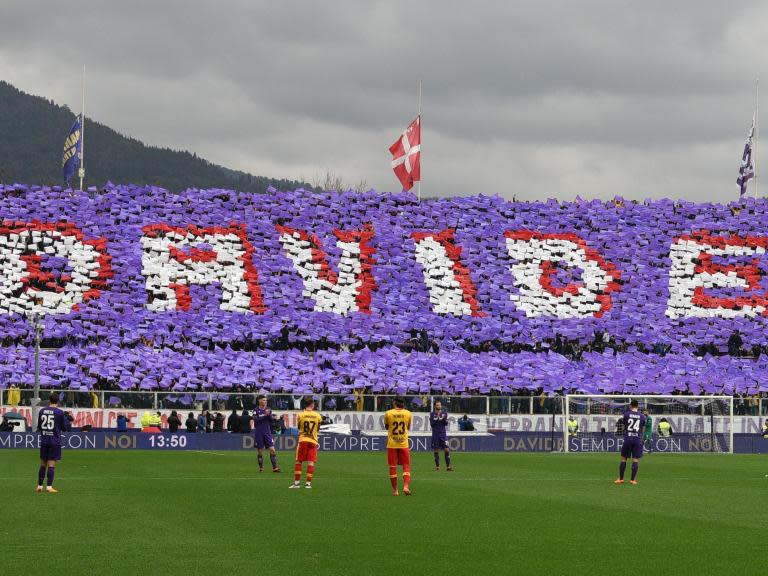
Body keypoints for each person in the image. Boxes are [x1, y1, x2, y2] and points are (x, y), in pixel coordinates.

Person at [36, 392, 71, 493]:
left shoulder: (42, 411)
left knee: (43, 464)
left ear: (49, 400)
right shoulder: (59, 412)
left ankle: (39, 486)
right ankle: (49, 487)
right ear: (58, 401)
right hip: (54, 441)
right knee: (51, 464)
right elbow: (64, 428)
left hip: (44, 440)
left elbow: (39, 426)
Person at [290, 397, 322, 489]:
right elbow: (318, 428)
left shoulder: (300, 415)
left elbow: (299, 427)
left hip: (303, 439)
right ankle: (308, 484)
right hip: (313, 441)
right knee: (311, 462)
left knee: (298, 461)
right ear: (312, 405)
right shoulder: (318, 416)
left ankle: (296, 484)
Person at [384, 397, 412, 496]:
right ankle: (405, 486)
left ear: (394, 403)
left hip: (392, 444)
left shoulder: (388, 413)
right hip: (404, 444)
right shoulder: (408, 413)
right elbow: (408, 427)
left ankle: (395, 490)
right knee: (406, 465)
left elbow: (387, 427)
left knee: (392, 466)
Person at [614, 400, 646, 485]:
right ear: (637, 406)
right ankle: (632, 480)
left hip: (628, 438)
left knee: (623, 459)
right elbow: (642, 428)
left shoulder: (626, 414)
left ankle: (621, 479)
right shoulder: (642, 416)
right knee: (635, 460)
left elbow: (625, 426)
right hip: (637, 439)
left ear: (630, 406)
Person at [253, 395, 281, 472]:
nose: (265, 402)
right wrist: (264, 416)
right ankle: (261, 468)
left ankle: (274, 468)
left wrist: (269, 416)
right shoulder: (256, 410)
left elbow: (270, 421)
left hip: (267, 432)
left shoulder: (268, 409)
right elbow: (256, 420)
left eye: (266, 400)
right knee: (260, 451)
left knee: (272, 450)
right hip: (259, 432)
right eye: (264, 400)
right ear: (259, 401)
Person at [429, 400, 452, 471]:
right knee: (436, 450)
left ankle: (448, 467)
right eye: (437, 405)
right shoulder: (432, 414)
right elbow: (432, 424)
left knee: (447, 450)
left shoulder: (444, 413)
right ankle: (437, 467)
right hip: (435, 434)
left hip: (443, 435)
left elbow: (446, 424)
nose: (439, 406)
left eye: (440, 405)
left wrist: (444, 419)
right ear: (435, 406)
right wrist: (437, 418)